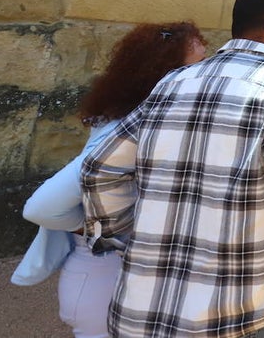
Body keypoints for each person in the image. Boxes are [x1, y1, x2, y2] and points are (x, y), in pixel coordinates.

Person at [81, 0, 264, 338]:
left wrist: (129, 241)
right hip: (237, 319)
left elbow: (100, 168)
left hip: (140, 314)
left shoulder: (173, 82)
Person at [14, 22, 207, 338]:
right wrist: (96, 225)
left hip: (124, 280)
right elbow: (42, 207)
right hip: (107, 281)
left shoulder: (146, 125)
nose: (205, 74)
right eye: (197, 65)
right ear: (161, 76)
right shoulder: (125, 134)